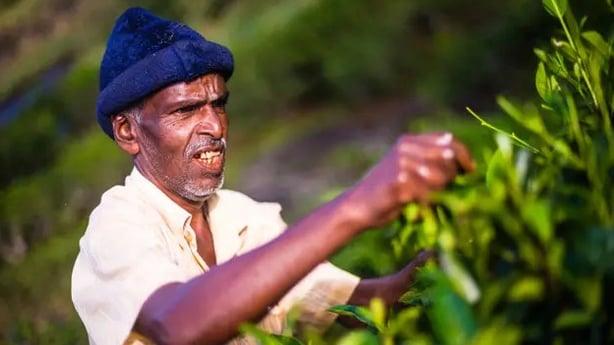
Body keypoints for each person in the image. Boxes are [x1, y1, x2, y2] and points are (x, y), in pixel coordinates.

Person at [71, 7, 474, 345]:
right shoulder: (116, 228)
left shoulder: (244, 218)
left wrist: (432, 272)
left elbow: (363, 306)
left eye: (219, 104)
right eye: (186, 110)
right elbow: (176, 325)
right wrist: (361, 202)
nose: (214, 125)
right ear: (128, 132)